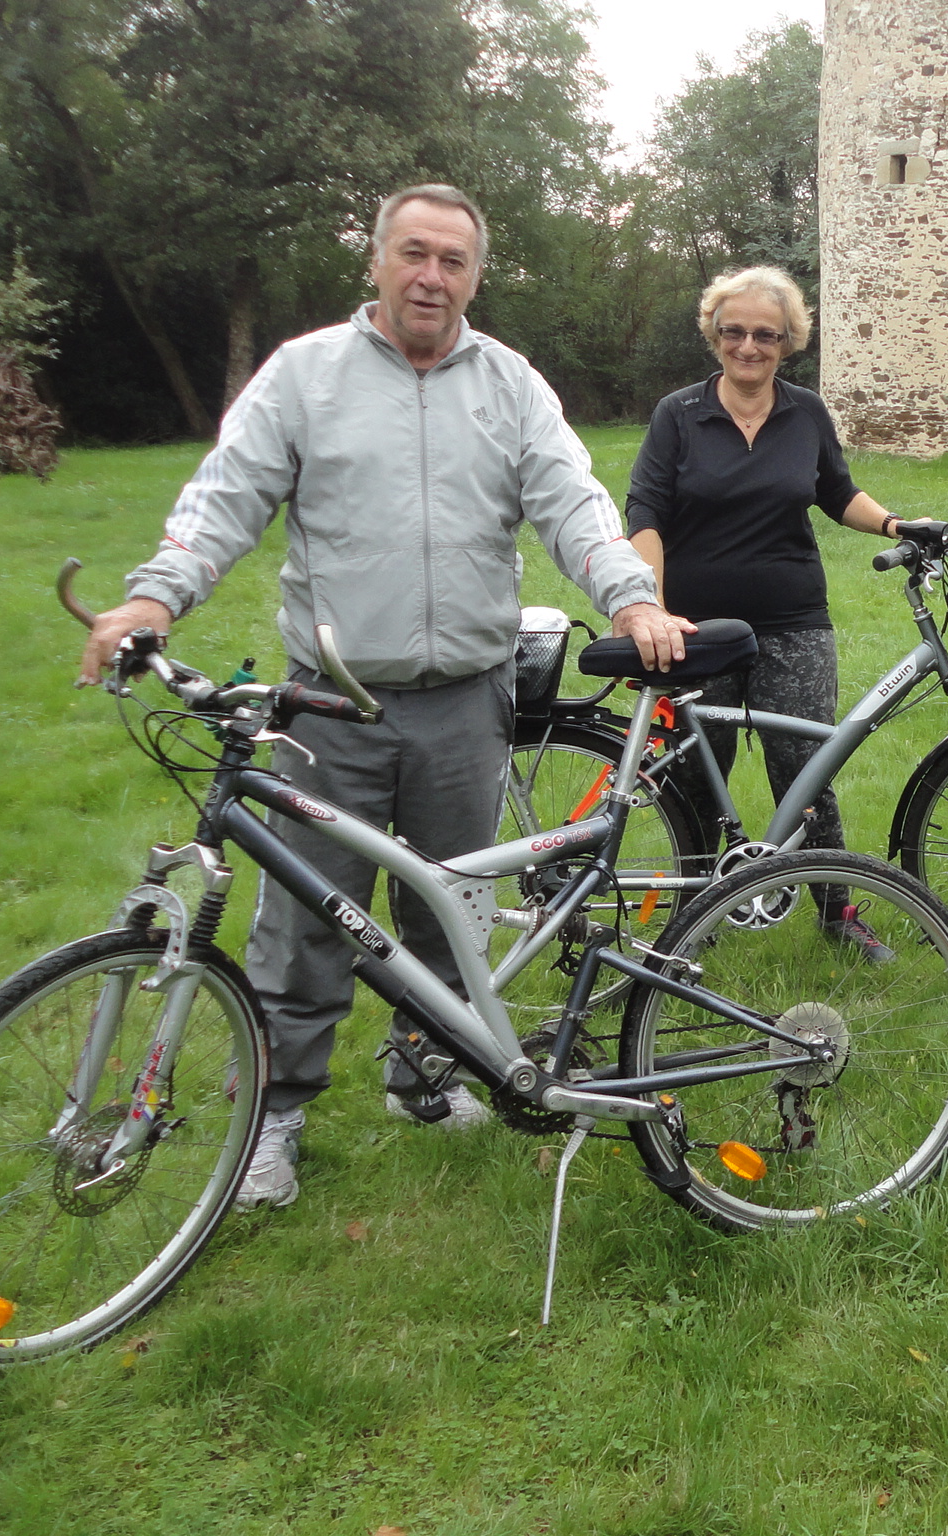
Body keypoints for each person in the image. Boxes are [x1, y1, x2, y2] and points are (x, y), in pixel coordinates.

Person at [76, 184, 690, 1211]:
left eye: (453, 261)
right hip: (331, 705)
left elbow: (573, 501)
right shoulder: (304, 376)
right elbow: (225, 496)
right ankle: (273, 1122)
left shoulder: (508, 384)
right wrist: (155, 595)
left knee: (446, 911)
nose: (431, 277)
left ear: (476, 277)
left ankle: (424, 1076)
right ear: (376, 262)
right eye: (414, 254)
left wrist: (631, 599)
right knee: (305, 921)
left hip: (465, 701)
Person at [624, 264, 908, 962]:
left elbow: (837, 492)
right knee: (691, 777)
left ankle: (838, 912)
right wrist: (651, 609)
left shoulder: (805, 411)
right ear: (715, 335)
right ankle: (692, 921)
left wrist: (899, 526)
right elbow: (646, 512)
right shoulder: (679, 413)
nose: (748, 346)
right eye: (735, 332)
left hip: (793, 623)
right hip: (695, 630)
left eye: (765, 335)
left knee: (808, 771)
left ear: (788, 343)